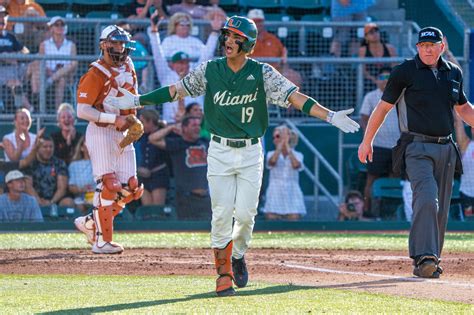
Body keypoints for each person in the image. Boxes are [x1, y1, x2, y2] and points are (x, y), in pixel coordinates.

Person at [105, 16, 359, 296]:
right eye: (227, 35)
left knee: (247, 215)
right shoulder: (210, 70)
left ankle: (237, 254)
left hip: (251, 150)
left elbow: (294, 97)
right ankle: (223, 274)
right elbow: (176, 91)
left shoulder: (263, 72)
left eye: (235, 37)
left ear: (248, 44)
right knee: (222, 214)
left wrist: (330, 116)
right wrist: (138, 101)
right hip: (220, 149)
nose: (228, 41)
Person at [358, 27, 474, 279]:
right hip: (416, 147)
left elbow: (463, 109)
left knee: (441, 208)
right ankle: (424, 257)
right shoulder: (405, 71)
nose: (427, 49)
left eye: (432, 45)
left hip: (447, 147)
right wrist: (367, 141)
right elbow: (383, 107)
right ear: (417, 47)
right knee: (426, 197)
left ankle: (431, 259)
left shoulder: (453, 72)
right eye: (423, 46)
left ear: (442, 46)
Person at [72, 25, 144, 255]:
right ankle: (102, 241)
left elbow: (133, 97)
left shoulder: (129, 66)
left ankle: (90, 223)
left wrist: (133, 118)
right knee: (109, 185)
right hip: (101, 130)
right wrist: (113, 119)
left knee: (131, 188)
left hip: (122, 131)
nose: (120, 48)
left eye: (123, 44)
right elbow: (82, 110)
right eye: (115, 43)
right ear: (104, 45)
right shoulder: (95, 73)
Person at [148, 11, 221, 122]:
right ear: (172, 64)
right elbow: (158, 55)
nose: (183, 65)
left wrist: (215, 32)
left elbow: (207, 55)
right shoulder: (166, 75)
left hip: (195, 124)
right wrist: (154, 30)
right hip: (171, 123)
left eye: (185, 62)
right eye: (180, 62)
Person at [149, 115, 211, 220]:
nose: (198, 128)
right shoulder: (177, 143)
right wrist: (171, 128)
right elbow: (152, 139)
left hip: (205, 197)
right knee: (187, 230)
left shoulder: (205, 142)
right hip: (186, 198)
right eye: (194, 125)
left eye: (199, 125)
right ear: (184, 128)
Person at [359, 67, 399, 217]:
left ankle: (390, 212)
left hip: (396, 146)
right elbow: (363, 117)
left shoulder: (399, 96)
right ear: (376, 80)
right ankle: (367, 211)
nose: (385, 80)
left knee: (394, 178)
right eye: (382, 77)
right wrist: (368, 138)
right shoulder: (370, 97)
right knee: (372, 179)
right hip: (377, 146)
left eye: (388, 77)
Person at [27, 16, 77, 109]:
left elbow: (73, 65)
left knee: (65, 74)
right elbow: (41, 62)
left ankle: (57, 112)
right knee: (37, 69)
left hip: (66, 75)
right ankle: (37, 101)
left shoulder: (71, 45)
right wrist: (49, 71)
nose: (60, 27)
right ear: (51, 28)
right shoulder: (44, 44)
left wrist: (55, 75)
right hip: (46, 73)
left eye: (62, 25)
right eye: (56, 25)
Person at [262, 125, 306, 220]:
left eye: (278, 136)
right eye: (274, 137)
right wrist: (280, 146)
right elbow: (272, 162)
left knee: (294, 218)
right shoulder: (270, 154)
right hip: (275, 192)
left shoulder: (298, 155)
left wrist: (286, 146)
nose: (275, 139)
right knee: (271, 217)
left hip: (292, 193)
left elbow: (296, 165)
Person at [25, 135, 73, 208]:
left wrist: (51, 202)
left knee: (68, 202)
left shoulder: (59, 163)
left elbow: (62, 188)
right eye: (45, 147)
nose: (48, 149)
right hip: (35, 199)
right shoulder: (31, 163)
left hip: (55, 200)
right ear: (38, 149)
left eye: (51, 147)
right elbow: (28, 187)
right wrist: (39, 202)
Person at [0, 5, 31, 112]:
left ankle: (37, 95)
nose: (2, 19)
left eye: (4, 17)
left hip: (16, 67)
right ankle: (30, 110)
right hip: (2, 70)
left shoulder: (10, 36)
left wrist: (15, 56)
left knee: (36, 65)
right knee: (15, 82)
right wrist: (6, 57)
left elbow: (25, 51)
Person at [137, 108, 169, 206]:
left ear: (150, 121)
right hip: (143, 175)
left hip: (158, 174)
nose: (140, 125)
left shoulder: (162, 133)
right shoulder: (140, 135)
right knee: (147, 209)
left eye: (142, 122)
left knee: (157, 209)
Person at [358, 23, 397, 91]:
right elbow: (363, 70)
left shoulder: (390, 48)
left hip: (387, 78)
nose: (375, 34)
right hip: (370, 81)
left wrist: (386, 78)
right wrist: (375, 80)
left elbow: (395, 67)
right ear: (366, 37)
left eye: (376, 31)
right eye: (371, 32)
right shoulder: (363, 50)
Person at [68, 136, 95, 214]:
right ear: (82, 147)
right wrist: (82, 189)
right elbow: (71, 187)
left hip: (98, 198)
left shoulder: (102, 164)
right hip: (80, 199)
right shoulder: (74, 165)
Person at [454, 113, 474, 218]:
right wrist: (457, 104)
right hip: (467, 194)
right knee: (469, 225)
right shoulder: (466, 145)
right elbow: (458, 123)